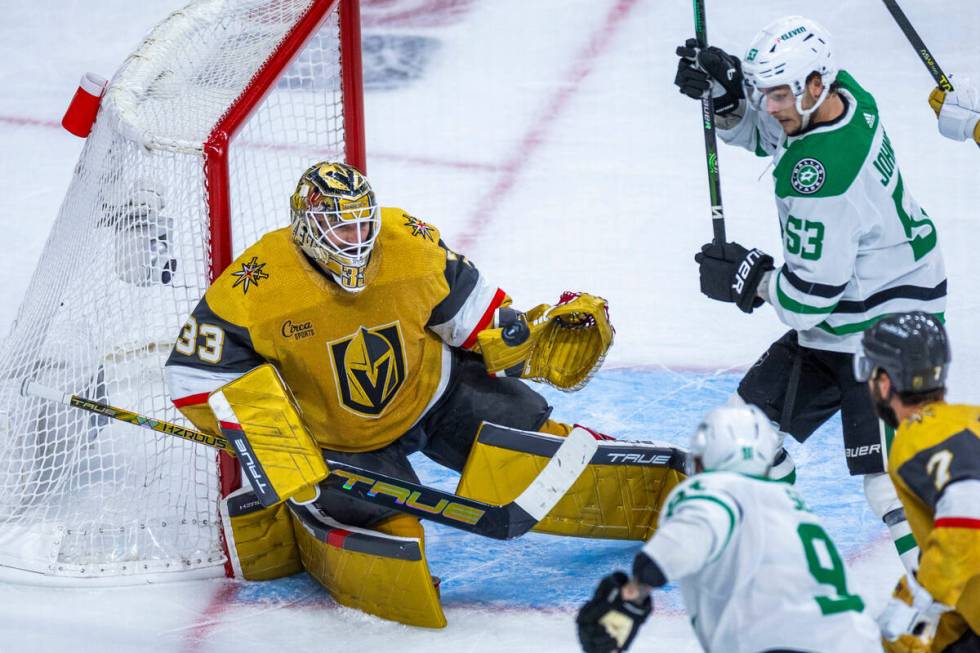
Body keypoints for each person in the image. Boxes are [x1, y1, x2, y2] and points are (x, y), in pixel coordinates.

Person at [163, 161, 641, 626]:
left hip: (434, 392)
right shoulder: (255, 284)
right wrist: (271, 442)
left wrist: (520, 340)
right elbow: (192, 375)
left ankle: (607, 465)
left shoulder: (408, 241)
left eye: (362, 226)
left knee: (519, 424)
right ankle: (306, 516)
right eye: (340, 230)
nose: (357, 241)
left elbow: (469, 314)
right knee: (385, 518)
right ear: (308, 228)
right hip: (341, 438)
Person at [673, 15, 947, 574]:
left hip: (888, 326)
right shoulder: (845, 95)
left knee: (892, 487)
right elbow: (769, 133)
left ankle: (956, 599)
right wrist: (730, 101)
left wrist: (749, 280)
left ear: (814, 85)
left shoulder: (823, 175)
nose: (770, 106)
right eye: (765, 92)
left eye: (778, 94)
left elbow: (806, 298)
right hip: (848, 318)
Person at [576, 404, 880, 653]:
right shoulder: (791, 503)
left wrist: (633, 592)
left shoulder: (713, 489)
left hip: (780, 642)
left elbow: (679, 546)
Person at [854, 312, 980, 653]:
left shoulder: (918, 438)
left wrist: (924, 599)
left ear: (884, 383)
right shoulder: (969, 418)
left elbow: (968, 520)